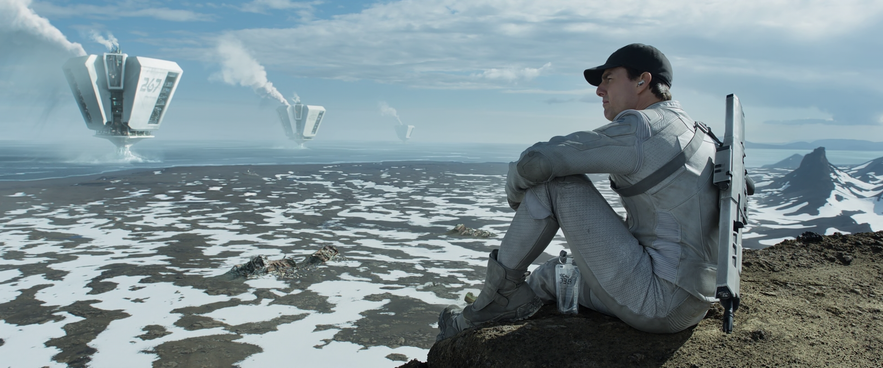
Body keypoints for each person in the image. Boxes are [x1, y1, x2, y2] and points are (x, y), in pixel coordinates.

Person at [437, 43, 720, 341]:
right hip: (694, 298)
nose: (599, 90)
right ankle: (509, 300)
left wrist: (515, 192)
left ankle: (491, 304)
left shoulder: (644, 129)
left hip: (657, 301)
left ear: (642, 81)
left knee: (555, 182)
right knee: (551, 275)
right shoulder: (697, 130)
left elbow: (537, 162)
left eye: (608, 79)